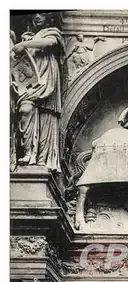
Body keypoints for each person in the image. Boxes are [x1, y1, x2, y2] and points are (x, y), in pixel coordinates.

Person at [11, 13, 65, 173]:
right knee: (25, 109)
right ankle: (28, 154)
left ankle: (41, 159)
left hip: (46, 73)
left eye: (41, 14)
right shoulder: (27, 36)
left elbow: (49, 42)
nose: (37, 16)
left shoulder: (52, 32)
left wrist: (24, 45)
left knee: (46, 116)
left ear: (49, 17)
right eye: (34, 14)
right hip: (29, 76)